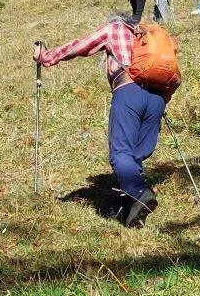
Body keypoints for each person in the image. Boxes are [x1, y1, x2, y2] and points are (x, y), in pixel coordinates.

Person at [34, 15, 165, 227]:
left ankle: (141, 193)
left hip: (128, 92)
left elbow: (81, 46)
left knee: (121, 153)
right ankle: (127, 211)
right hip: (157, 98)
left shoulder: (115, 28)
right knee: (135, 156)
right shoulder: (146, 34)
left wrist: (46, 57)